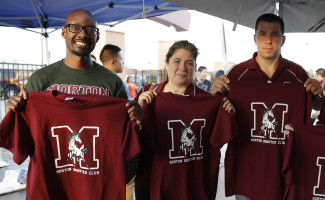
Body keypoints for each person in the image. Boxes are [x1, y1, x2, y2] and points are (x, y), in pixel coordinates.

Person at [5, 9, 143, 199]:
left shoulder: (112, 82)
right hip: (53, 186)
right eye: (75, 27)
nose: (83, 34)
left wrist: (137, 118)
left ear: (97, 36)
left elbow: (128, 139)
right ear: (64, 32)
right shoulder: (40, 80)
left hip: (97, 187)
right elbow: (24, 139)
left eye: (89, 29)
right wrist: (13, 110)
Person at [212, 13, 322, 200]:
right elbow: (215, 115)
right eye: (263, 34)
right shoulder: (238, 74)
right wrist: (215, 94)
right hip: (247, 172)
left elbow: (316, 105)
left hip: (286, 170)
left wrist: (319, 94)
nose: (269, 40)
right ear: (255, 38)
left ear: (283, 39)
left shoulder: (297, 73)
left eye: (275, 34)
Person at [134, 40, 236, 200]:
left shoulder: (208, 101)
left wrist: (225, 111)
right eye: (177, 61)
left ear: (194, 68)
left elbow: (220, 140)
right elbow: (132, 137)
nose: (182, 68)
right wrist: (139, 109)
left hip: (192, 185)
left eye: (189, 63)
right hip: (151, 183)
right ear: (166, 63)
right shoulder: (147, 95)